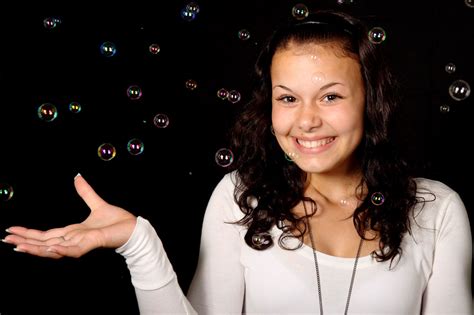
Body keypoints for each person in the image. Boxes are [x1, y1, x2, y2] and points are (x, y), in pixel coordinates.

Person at [2, 9, 472, 315]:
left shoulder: (436, 209)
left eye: (330, 95)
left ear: (372, 102)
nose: (306, 120)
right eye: (288, 98)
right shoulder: (240, 196)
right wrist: (136, 242)